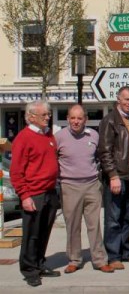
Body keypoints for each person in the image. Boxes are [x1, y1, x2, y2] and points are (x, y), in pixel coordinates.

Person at [55, 104, 114, 274]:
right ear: (67, 119)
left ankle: (99, 260)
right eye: (72, 118)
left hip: (92, 185)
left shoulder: (93, 135)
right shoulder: (59, 137)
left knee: (94, 225)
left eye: (79, 118)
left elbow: (100, 157)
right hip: (70, 186)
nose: (76, 121)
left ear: (85, 119)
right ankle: (74, 259)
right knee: (72, 225)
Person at [10, 100, 61, 287]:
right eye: (44, 115)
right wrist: (24, 196)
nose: (48, 117)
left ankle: (39, 264)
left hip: (49, 191)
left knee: (44, 232)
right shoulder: (23, 138)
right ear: (31, 117)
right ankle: (29, 269)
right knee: (31, 234)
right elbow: (16, 171)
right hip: (34, 193)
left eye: (48, 114)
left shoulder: (48, 135)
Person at [98, 86, 129, 269]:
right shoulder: (110, 121)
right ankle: (113, 256)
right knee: (113, 218)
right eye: (126, 99)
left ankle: (126, 251)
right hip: (117, 177)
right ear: (118, 100)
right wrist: (112, 175)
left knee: (127, 217)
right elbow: (105, 152)